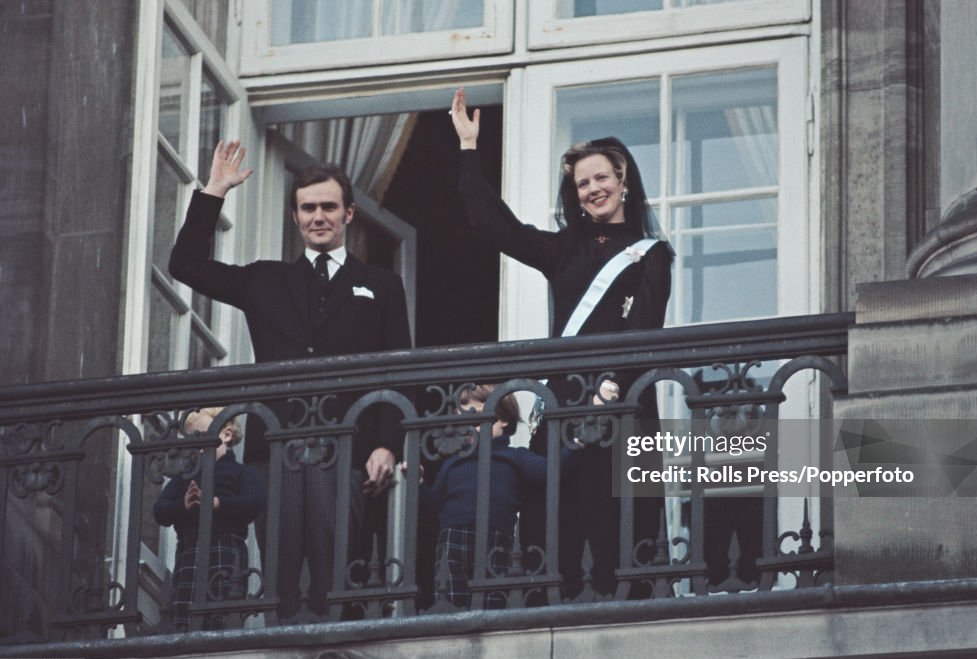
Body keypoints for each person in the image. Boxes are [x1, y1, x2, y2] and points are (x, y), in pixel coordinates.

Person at [168, 141, 412, 620]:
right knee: (278, 575)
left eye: (327, 206)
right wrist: (214, 190)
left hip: (346, 443)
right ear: (295, 216)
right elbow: (185, 266)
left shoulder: (381, 285)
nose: (317, 216)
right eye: (307, 208)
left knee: (338, 574)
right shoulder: (265, 279)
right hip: (274, 445)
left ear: (349, 213)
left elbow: (397, 369)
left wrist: (388, 444)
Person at [449, 88, 673, 597]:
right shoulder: (563, 248)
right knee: (558, 530)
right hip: (565, 406)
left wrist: (613, 386)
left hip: (626, 404)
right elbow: (494, 225)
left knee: (623, 532)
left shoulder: (651, 254)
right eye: (581, 183)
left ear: (623, 181)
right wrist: (468, 148)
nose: (592, 189)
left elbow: (643, 328)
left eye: (600, 177)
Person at [420, 385, 581, 609]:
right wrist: (418, 483)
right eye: (461, 424)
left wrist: (577, 442)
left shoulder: (514, 457)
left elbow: (550, 470)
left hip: (496, 538)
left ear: (503, 420)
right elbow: (432, 504)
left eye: (476, 420)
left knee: (492, 601)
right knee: (449, 601)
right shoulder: (453, 462)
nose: (470, 430)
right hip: (452, 537)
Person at [154, 407, 265, 631]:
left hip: (226, 547)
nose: (197, 445)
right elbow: (160, 511)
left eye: (202, 436)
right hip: (189, 550)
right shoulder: (184, 477)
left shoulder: (241, 472)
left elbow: (254, 503)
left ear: (226, 434)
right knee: (185, 616)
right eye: (192, 440)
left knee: (222, 612)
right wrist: (183, 505)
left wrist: (217, 503)